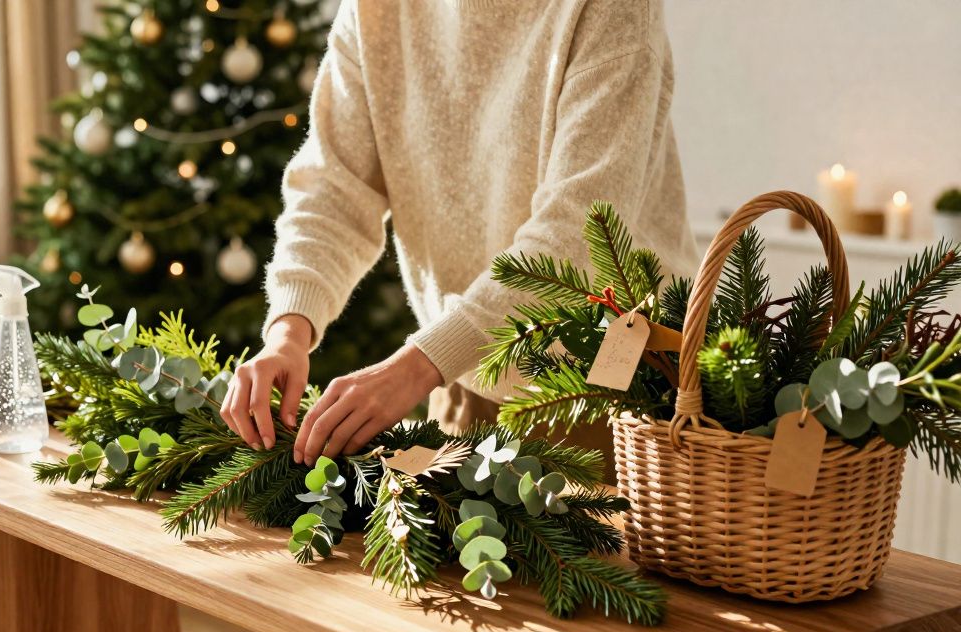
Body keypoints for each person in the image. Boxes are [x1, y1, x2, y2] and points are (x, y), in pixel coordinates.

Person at [220, 0, 698, 468]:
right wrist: (290, 329)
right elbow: (334, 189)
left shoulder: (613, 8)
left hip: (618, 394)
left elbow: (576, 234)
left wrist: (417, 365)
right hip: (460, 379)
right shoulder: (373, 10)